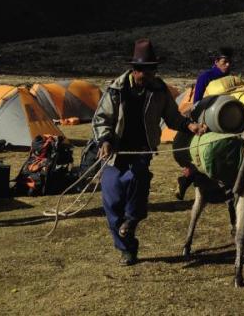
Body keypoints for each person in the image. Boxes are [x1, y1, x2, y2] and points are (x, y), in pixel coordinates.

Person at [93, 39, 207, 266]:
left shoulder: (158, 89)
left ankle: (132, 220)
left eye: (154, 70)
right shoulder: (116, 90)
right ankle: (127, 248)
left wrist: (190, 126)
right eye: (147, 71)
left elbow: (172, 117)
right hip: (116, 152)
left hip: (141, 150)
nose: (151, 75)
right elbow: (102, 118)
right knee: (112, 202)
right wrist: (105, 140)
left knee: (138, 180)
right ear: (135, 70)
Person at [176, 47, 234, 200]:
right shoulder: (205, 77)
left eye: (230, 62)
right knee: (205, 154)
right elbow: (197, 103)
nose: (228, 65)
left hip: (227, 121)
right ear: (216, 62)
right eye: (224, 62)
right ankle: (186, 179)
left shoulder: (231, 79)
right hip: (207, 120)